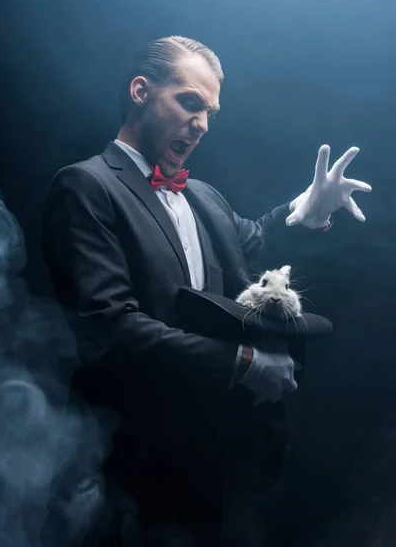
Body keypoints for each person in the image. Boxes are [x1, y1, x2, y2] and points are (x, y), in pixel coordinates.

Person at [41, 36, 372, 546]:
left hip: (206, 453)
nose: (201, 124)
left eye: (210, 112)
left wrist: (303, 213)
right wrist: (241, 360)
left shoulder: (203, 195)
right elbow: (108, 325)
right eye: (190, 102)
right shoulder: (84, 186)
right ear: (140, 91)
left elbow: (253, 241)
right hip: (119, 455)